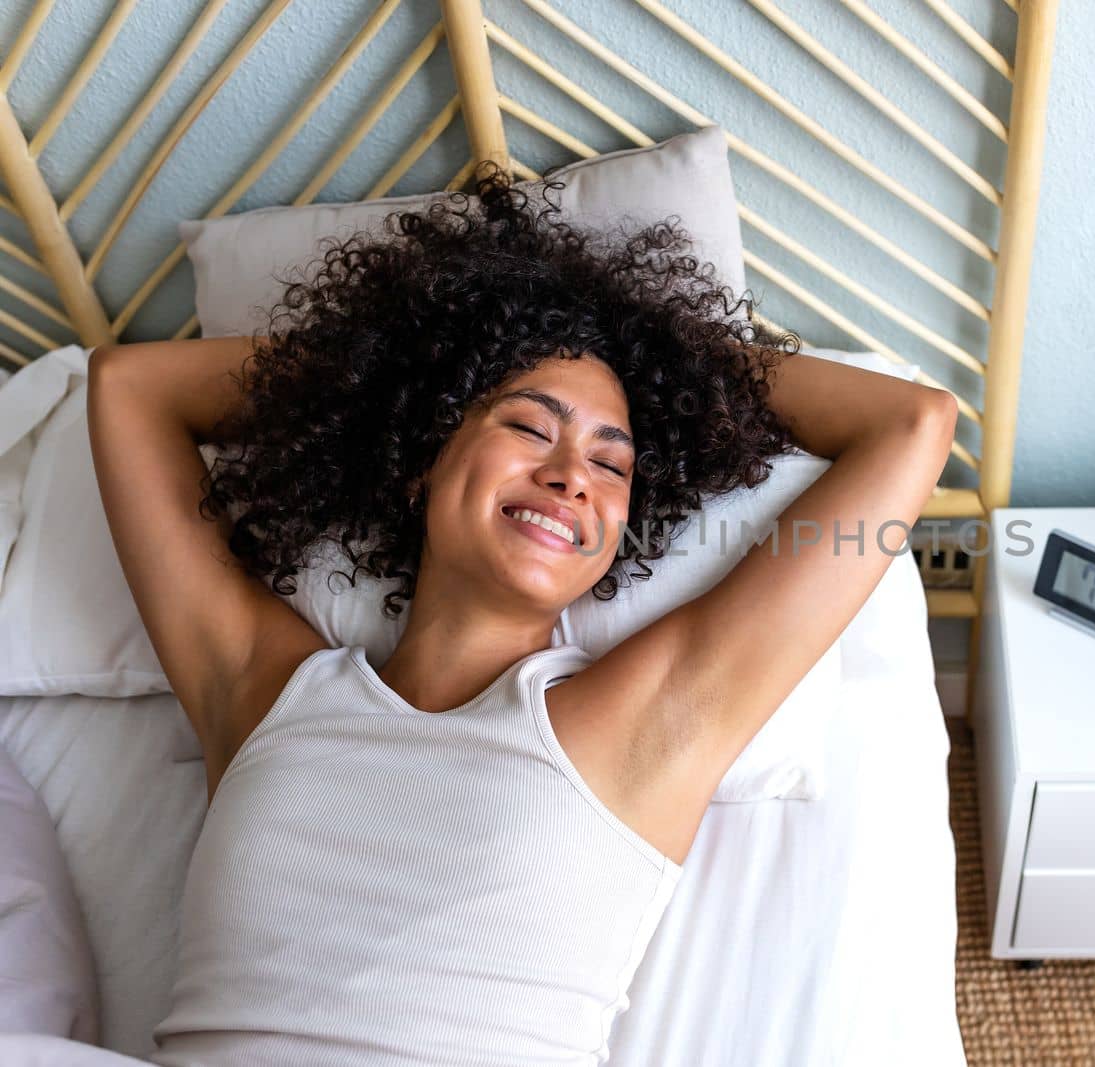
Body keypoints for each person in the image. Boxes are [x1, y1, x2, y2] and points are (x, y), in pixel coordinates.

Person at [63, 165, 956, 1066]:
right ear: (422, 458)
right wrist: (381, 370)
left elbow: (912, 424)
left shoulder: (645, 723)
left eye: (614, 464)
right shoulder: (257, 687)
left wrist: (663, 352)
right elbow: (130, 389)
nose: (575, 474)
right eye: (531, 428)